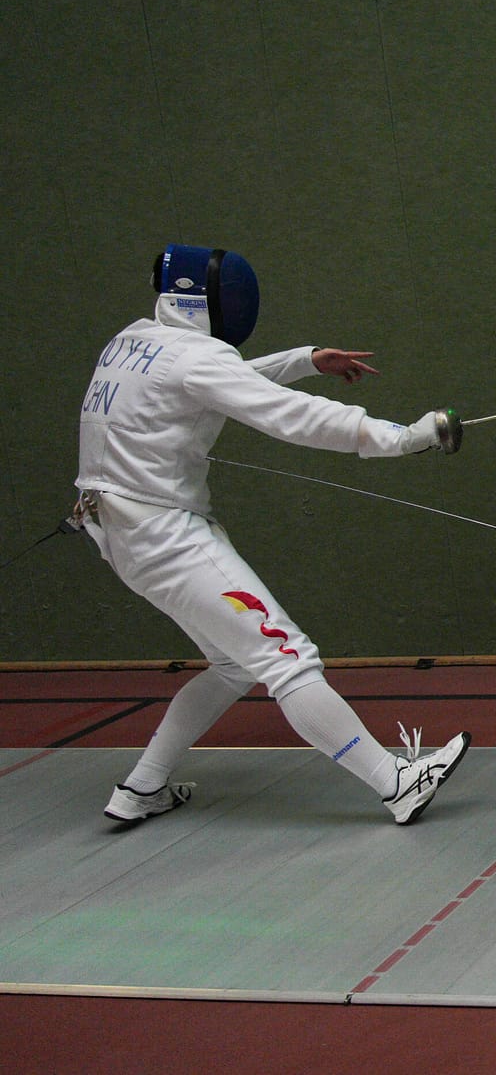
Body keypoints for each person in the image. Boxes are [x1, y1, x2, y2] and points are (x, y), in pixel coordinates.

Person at [76, 243, 470, 827]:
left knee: (234, 665)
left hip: (118, 533)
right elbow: (285, 412)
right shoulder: (195, 359)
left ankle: (143, 787)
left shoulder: (132, 343)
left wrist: (305, 360)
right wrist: (401, 437)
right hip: (165, 537)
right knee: (286, 657)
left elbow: (218, 379)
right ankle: (397, 784)